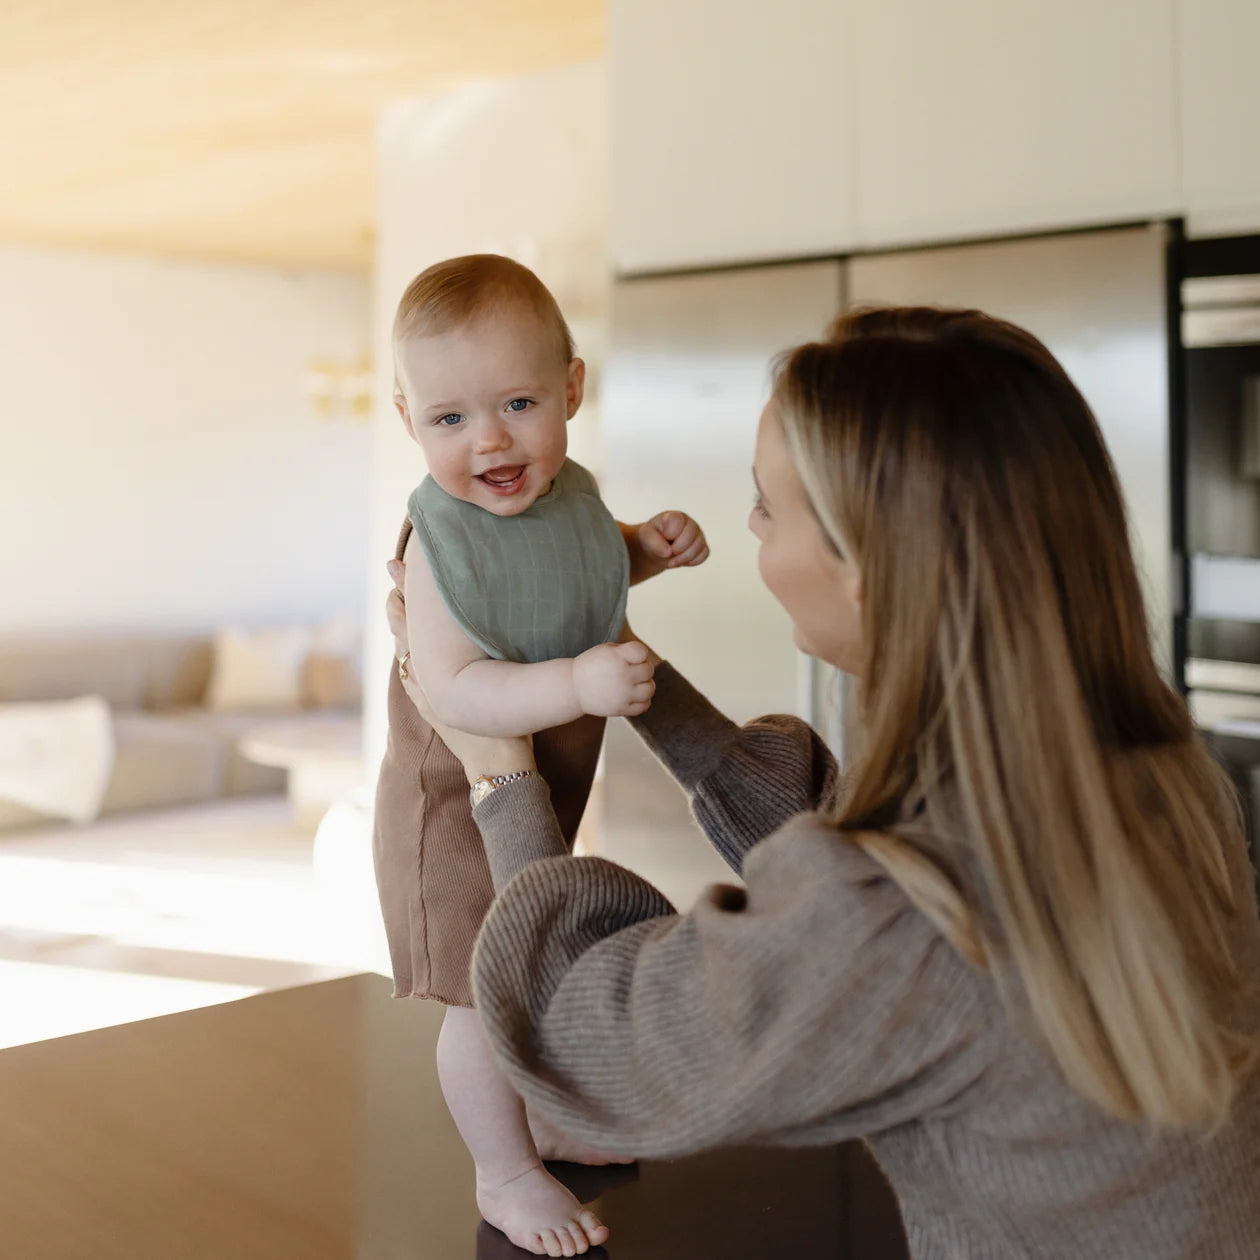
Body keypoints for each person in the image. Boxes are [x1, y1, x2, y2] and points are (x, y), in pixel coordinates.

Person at [385, 306, 1260, 1260]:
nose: (749, 527)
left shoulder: (918, 912)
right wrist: (609, 662)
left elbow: (592, 1041)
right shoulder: (1166, 779)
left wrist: (498, 775)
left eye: (766, 506)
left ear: (864, 573)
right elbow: (835, 842)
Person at [374, 254, 709, 1259]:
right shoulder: (439, 544)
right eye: (451, 420)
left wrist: (645, 548)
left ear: (571, 388)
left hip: (536, 797)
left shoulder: (563, 499)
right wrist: (579, 687)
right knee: (485, 996)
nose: (491, 442)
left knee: (540, 971)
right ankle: (505, 1170)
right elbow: (457, 688)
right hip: (452, 817)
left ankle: (545, 1121)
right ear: (409, 418)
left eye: (518, 402)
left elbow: (577, 569)